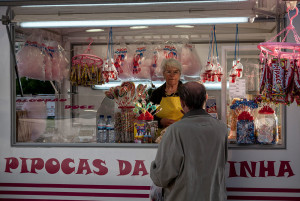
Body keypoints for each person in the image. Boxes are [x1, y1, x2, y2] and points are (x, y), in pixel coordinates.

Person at [150, 81, 228, 201]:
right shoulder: (222, 128)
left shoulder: (174, 131)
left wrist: (153, 168)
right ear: (206, 99)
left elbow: (162, 177)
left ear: (182, 102)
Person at [150, 58, 184, 130]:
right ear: (163, 74)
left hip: (182, 133)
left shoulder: (186, 92)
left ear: (179, 74)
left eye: (175, 72)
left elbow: (193, 115)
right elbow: (149, 115)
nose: (172, 75)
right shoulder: (156, 93)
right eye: (168, 72)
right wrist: (160, 121)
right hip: (161, 136)